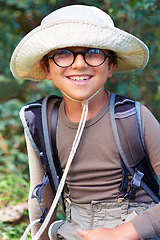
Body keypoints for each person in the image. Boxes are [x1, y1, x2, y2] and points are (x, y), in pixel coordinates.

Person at [10, 4, 160, 240]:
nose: (79, 64)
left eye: (93, 51)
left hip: (136, 227)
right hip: (74, 229)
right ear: (46, 68)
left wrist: (123, 233)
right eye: (63, 53)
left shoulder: (133, 117)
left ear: (110, 65)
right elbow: (40, 196)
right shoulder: (40, 121)